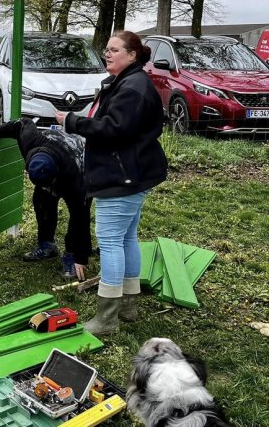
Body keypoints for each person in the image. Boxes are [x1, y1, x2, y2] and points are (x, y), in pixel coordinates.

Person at [55, 30, 168, 336]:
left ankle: (107, 318)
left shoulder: (132, 87)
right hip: (130, 172)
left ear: (132, 56)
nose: (108, 53)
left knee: (110, 242)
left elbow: (113, 129)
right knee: (126, 238)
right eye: (107, 49)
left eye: (115, 50)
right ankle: (128, 306)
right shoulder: (126, 82)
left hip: (121, 176)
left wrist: (71, 122)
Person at [0, 118, 92, 280]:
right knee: (41, 200)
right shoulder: (31, 141)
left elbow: (81, 216)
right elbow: (22, 123)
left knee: (77, 212)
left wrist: (80, 257)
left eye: (50, 185)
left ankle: (70, 255)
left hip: (79, 156)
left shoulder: (74, 175)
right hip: (51, 153)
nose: (49, 189)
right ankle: (47, 245)